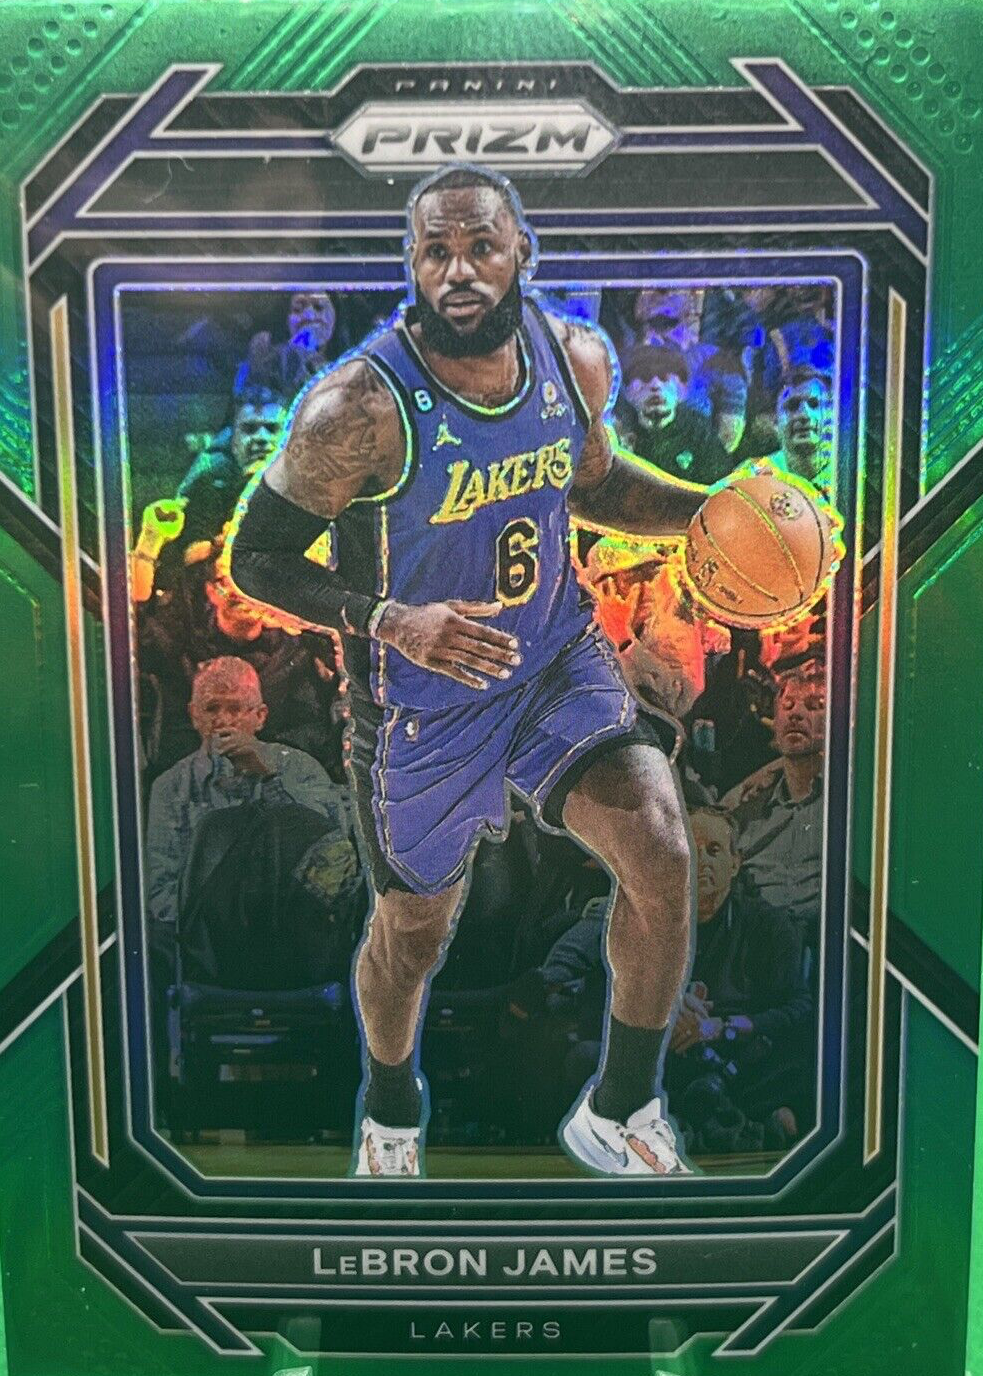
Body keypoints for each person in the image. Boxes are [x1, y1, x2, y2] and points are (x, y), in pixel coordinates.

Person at [225, 163, 781, 1179]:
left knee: (660, 846)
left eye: (480, 246)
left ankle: (621, 1107)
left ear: (520, 249)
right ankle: (390, 1106)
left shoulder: (573, 357)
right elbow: (255, 558)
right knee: (414, 933)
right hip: (420, 703)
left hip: (551, 657)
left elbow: (593, 483)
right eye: (435, 251)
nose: (459, 271)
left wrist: (709, 511)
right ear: (410, 263)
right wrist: (390, 620)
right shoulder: (354, 409)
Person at [145, 657, 355, 992]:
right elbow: (161, 889)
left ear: (260, 716)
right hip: (207, 947)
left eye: (236, 709)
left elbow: (331, 853)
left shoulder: (299, 768)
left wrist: (267, 775)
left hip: (291, 939)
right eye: (212, 708)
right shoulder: (172, 787)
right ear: (194, 715)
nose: (223, 720)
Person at [722, 657, 826, 954]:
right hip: (751, 947)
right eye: (788, 706)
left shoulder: (848, 799)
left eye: (814, 706)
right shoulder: (749, 803)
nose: (796, 715)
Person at [615, 345, 734, 485]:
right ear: (627, 391)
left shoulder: (699, 431)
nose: (655, 385)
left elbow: (720, 484)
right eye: (644, 377)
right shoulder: (616, 434)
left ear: (683, 389)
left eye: (664, 378)